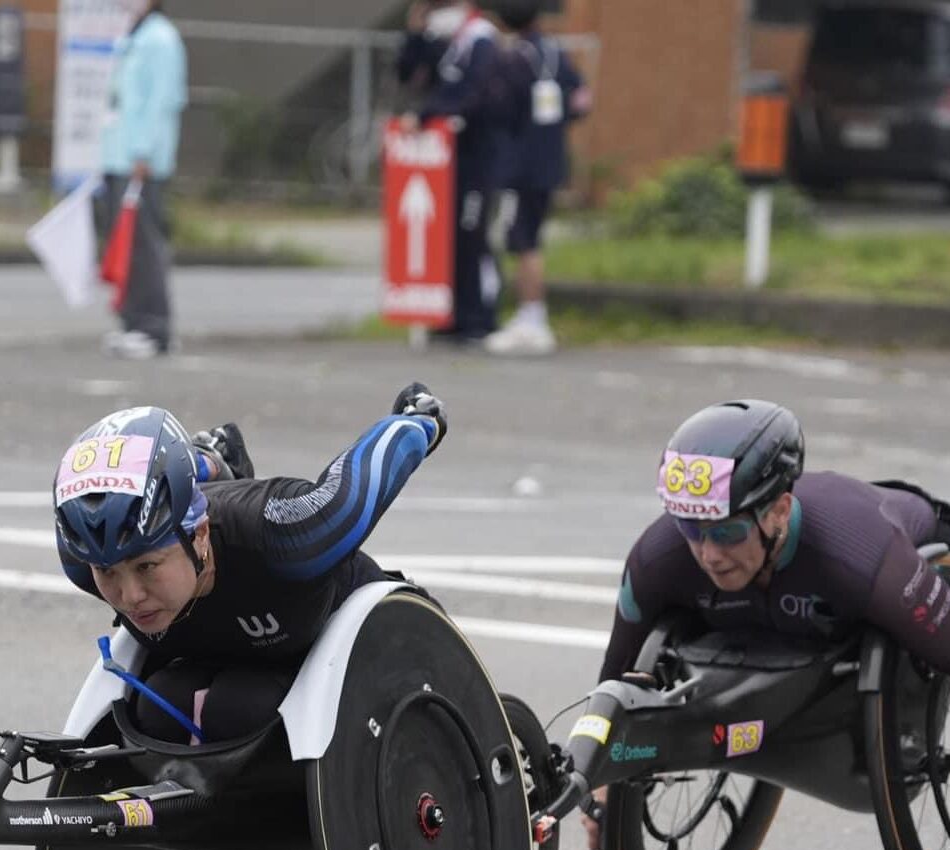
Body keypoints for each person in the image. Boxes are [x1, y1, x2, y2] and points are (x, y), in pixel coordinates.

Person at [582, 398, 950, 850]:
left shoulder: (856, 556)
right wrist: (601, 775)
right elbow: (617, 672)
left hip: (901, 558)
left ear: (779, 510)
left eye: (727, 532)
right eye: (691, 530)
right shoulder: (658, 557)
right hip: (779, 619)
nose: (709, 554)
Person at [53, 384, 448, 742]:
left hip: (344, 642)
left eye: (147, 567)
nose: (130, 596)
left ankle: (215, 462)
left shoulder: (284, 533)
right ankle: (216, 461)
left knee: (240, 707)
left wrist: (416, 422)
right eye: (108, 573)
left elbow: (358, 484)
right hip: (225, 658)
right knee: (157, 708)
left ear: (200, 535)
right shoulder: (83, 557)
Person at [397, 2, 524, 344]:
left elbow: (471, 93)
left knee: (475, 235)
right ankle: (454, 316)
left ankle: (480, 316)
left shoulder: (482, 41)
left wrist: (426, 117)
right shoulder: (453, 43)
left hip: (483, 156)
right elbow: (410, 73)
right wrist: (416, 33)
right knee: (454, 235)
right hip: (455, 157)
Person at [485, 0, 591, 358]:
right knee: (529, 235)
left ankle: (532, 318)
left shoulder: (512, 58)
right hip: (550, 159)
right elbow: (580, 101)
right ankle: (529, 316)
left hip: (520, 164)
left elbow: (497, 110)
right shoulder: (555, 52)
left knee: (522, 239)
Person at [96, 0, 187, 360]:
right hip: (120, 155)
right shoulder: (135, 36)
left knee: (144, 244)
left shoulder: (161, 39)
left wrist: (144, 151)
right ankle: (132, 322)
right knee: (126, 243)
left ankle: (154, 327)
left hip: (140, 159)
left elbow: (163, 101)